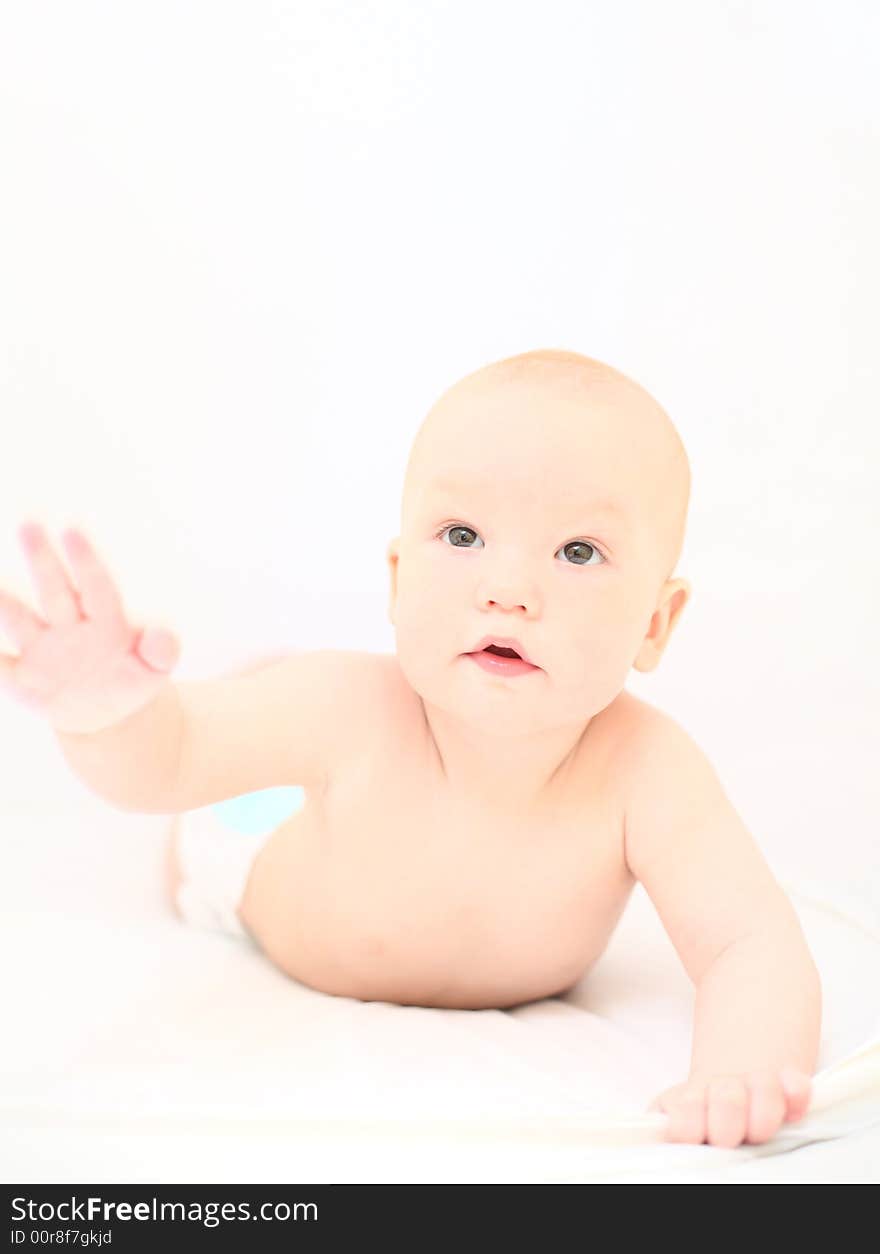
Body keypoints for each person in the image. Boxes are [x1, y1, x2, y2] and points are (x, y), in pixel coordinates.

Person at [0, 348, 819, 1148]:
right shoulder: (351, 707)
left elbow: (748, 940)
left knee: (266, 711)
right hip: (250, 858)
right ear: (397, 581)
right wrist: (106, 719)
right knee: (220, 769)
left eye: (578, 552)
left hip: (337, 795)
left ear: (655, 622)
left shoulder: (647, 771)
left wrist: (741, 1069)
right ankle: (252, 692)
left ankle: (259, 688)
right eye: (462, 535)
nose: (507, 590)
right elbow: (169, 763)